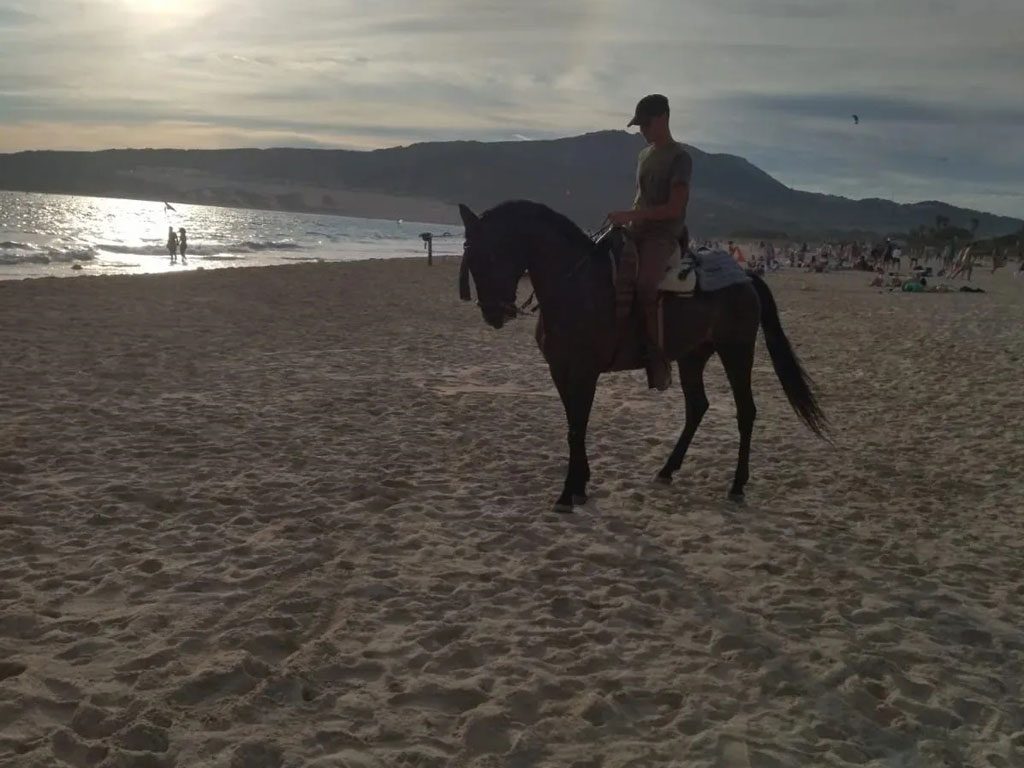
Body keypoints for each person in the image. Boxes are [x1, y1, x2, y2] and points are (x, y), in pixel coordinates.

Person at [606, 94, 692, 391]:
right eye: (639, 125)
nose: (641, 130)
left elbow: (674, 208)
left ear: (663, 119)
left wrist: (630, 214)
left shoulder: (680, 158)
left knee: (646, 285)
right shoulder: (644, 155)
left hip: (662, 235)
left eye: (645, 124)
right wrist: (626, 219)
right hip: (636, 229)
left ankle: (658, 359)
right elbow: (640, 197)